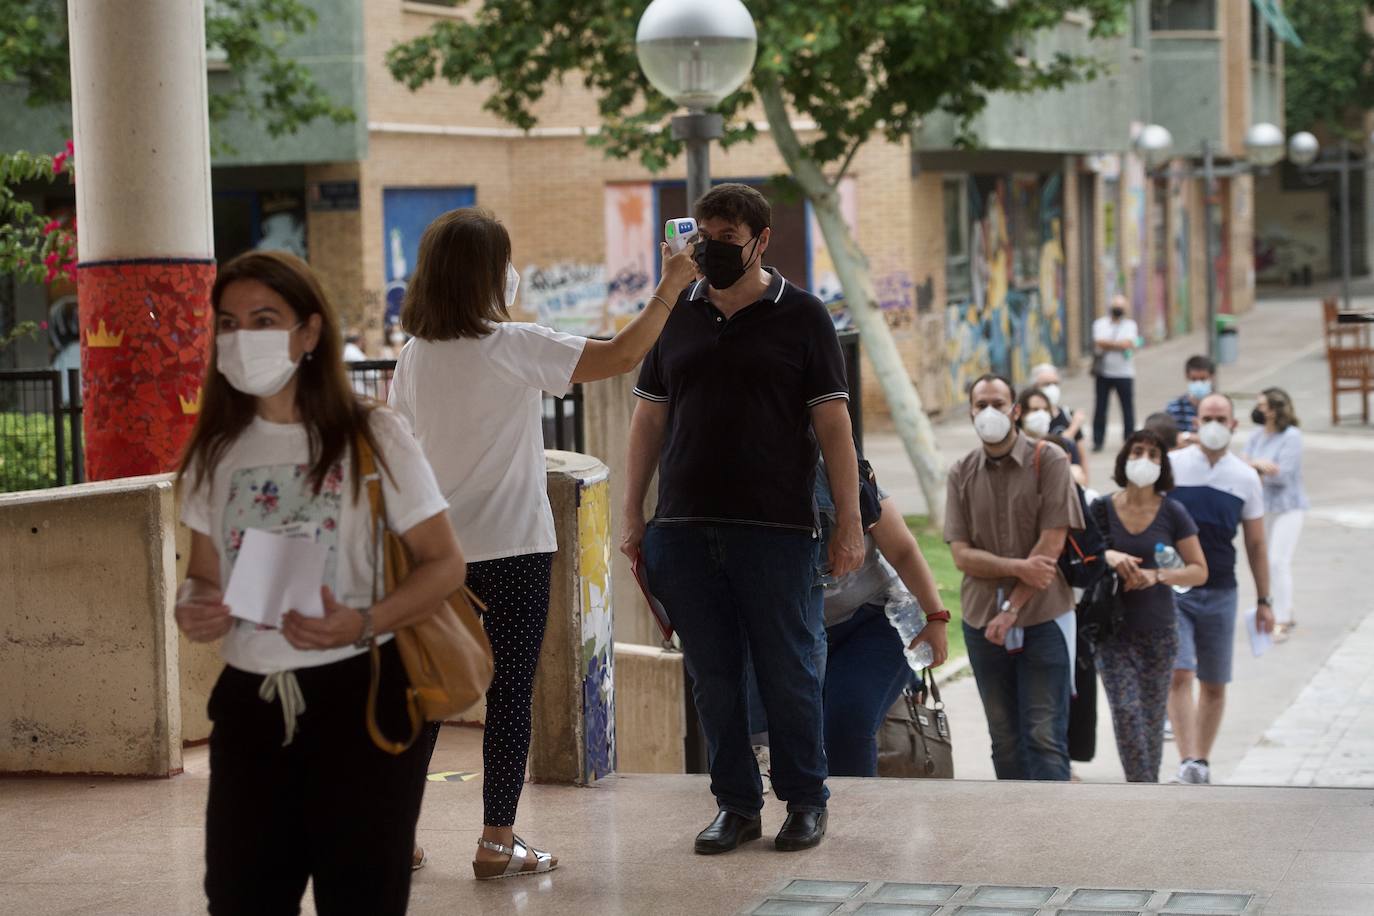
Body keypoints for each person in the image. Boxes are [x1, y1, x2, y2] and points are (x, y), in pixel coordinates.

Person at [389, 207, 698, 878]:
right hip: (517, 548)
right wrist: (671, 286)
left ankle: (396, 834)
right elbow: (621, 355)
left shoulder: (413, 357)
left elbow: (400, 453)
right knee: (510, 693)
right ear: (488, 274)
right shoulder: (513, 344)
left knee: (430, 690)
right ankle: (498, 841)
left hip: (438, 553)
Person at [174, 251, 466, 915]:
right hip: (250, 706)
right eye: (227, 321)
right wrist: (193, 607)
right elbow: (201, 576)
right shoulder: (215, 452)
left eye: (264, 318)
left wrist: (364, 621)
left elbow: (445, 563)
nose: (241, 336)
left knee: (361, 897)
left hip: (358, 697)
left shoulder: (373, 434)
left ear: (309, 333)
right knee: (242, 899)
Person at [623, 183, 863, 855]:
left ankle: (805, 800)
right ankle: (736, 805)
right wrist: (633, 515)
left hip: (777, 529)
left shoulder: (805, 316)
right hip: (684, 528)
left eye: (727, 240)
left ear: (761, 241)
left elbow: (834, 425)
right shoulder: (675, 313)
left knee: (789, 673)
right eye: (703, 238)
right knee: (713, 677)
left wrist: (848, 522)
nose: (712, 251)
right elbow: (648, 418)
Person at [747, 462, 950, 779]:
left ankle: (855, 817)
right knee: (789, 737)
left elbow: (903, 549)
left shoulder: (836, 472)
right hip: (794, 632)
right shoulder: (742, 482)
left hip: (872, 619)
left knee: (846, 723)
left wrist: (936, 617)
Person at [945, 374, 1084, 781]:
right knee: (1004, 739)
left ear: (1015, 410)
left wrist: (1011, 607)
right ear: (971, 411)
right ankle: (1015, 834)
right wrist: (1016, 567)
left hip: (1044, 616)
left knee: (1044, 736)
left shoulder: (1051, 461)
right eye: (981, 404)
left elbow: (1051, 545)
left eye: (998, 403)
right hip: (980, 620)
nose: (990, 412)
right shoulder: (961, 473)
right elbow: (961, 555)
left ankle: (1053, 834)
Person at [1167, 393, 1274, 785]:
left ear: (1233, 425)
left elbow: (1257, 544)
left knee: (1213, 681)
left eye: (1220, 418)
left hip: (1222, 591)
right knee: (1180, 672)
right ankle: (1186, 760)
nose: (1213, 424)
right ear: (1195, 422)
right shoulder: (1173, 468)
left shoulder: (1245, 477)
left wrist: (1264, 599)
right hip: (1175, 589)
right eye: (1206, 417)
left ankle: (1201, 761)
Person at [1094, 431, 1208, 783]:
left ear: (1163, 465)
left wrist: (1157, 575)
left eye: (1154, 455)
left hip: (1158, 631)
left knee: (1151, 717)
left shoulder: (1172, 512)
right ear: (1124, 458)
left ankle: (1146, 791)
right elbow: (1081, 559)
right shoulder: (1101, 508)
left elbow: (1199, 570)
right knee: (1127, 713)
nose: (1144, 459)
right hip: (1112, 632)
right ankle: (1141, 789)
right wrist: (1110, 556)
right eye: (1138, 451)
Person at [1244, 387, 1308, 637]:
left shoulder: (1291, 436)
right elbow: (1243, 465)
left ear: (1273, 411)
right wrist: (1259, 465)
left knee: (1278, 561)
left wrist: (1257, 467)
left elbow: (1284, 473)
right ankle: (1271, 608)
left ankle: (1283, 616)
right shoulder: (1257, 436)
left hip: (1288, 507)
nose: (1258, 410)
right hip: (1263, 507)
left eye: (1262, 406)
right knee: (1264, 562)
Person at [1091, 295, 1139, 452]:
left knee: (1127, 409)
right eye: (1116, 305)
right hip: (1103, 373)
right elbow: (1099, 342)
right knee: (1100, 408)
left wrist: (1109, 344)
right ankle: (1098, 440)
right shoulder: (1100, 324)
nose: (1118, 309)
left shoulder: (1130, 325)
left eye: (1121, 306)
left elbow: (1129, 344)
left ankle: (1129, 439)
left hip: (1125, 374)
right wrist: (1119, 345)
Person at [1017, 386, 1086, 483]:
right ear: (1021, 413)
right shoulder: (1013, 446)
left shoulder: (1064, 445)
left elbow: (1081, 479)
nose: (1041, 414)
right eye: (1035, 409)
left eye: (1045, 410)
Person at [1163, 355, 1217, 447]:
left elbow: (1218, 439)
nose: (1199, 384)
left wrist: (1186, 437)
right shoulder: (1175, 407)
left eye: (1203, 379)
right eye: (1194, 379)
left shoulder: (1218, 407)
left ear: (1212, 377)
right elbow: (1169, 437)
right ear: (1187, 376)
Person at [1030, 362, 1086, 443]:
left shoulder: (1068, 415)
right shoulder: (1031, 418)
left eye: (1055, 383)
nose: (1052, 388)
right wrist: (1074, 426)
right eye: (1047, 384)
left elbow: (1080, 453)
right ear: (1035, 387)